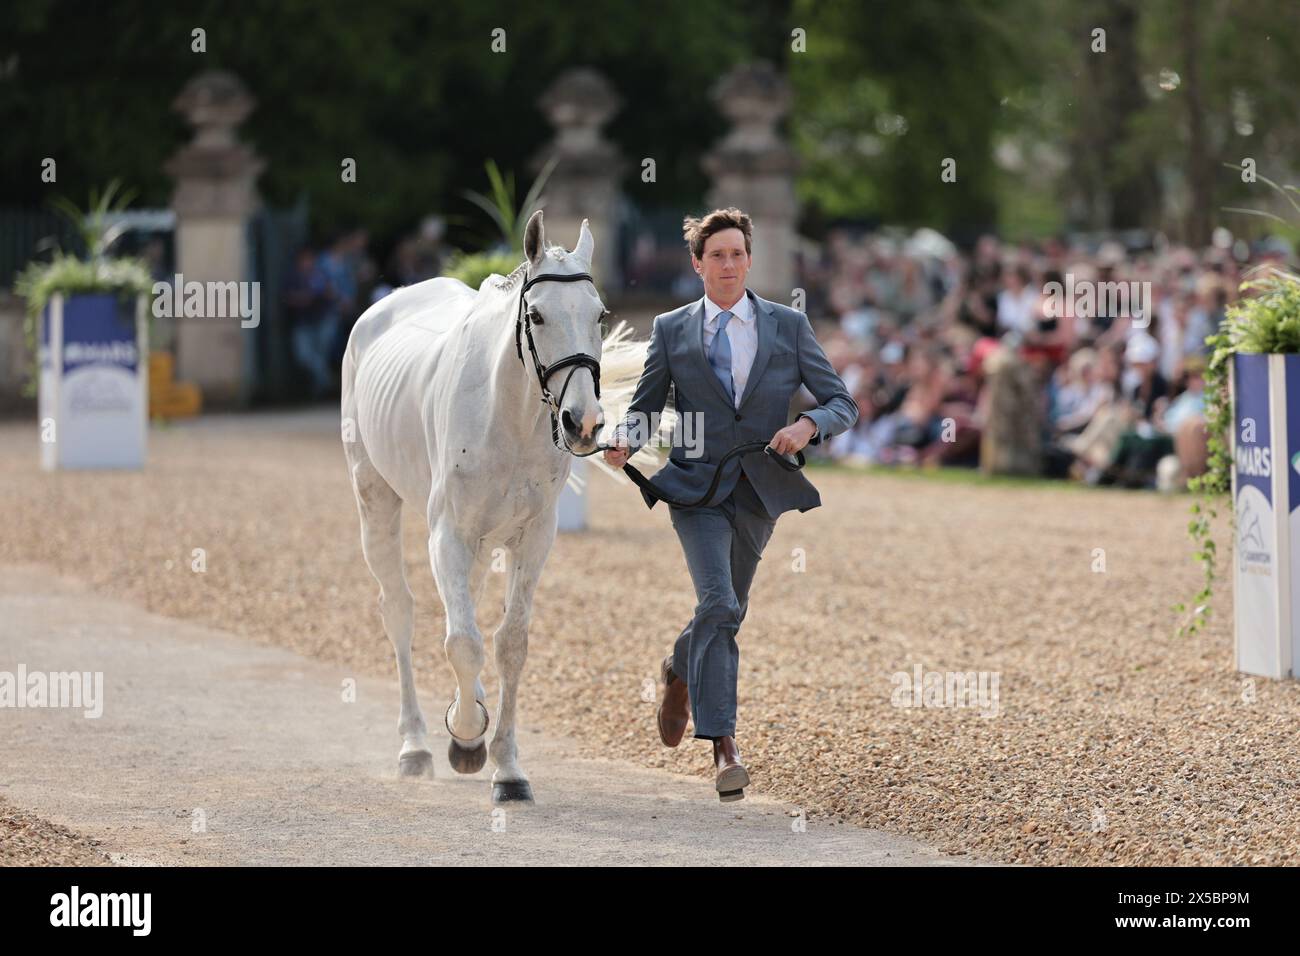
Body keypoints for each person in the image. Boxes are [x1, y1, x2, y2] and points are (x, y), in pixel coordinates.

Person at [603, 207, 858, 802]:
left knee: (729, 609)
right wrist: (624, 440)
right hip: (693, 487)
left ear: (749, 259)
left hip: (761, 488)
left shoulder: (788, 326)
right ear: (697, 264)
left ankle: (677, 669)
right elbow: (646, 406)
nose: (728, 264)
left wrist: (809, 425)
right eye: (716, 255)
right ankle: (725, 748)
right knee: (717, 600)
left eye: (737, 254)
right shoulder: (671, 329)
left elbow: (842, 401)